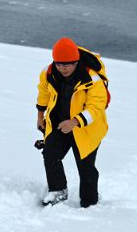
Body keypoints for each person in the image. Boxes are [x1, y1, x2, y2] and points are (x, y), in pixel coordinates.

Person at [35, 37, 109, 207]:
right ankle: (58, 191)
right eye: (59, 64)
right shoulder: (49, 72)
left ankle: (90, 202)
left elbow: (96, 107)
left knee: (85, 166)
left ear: (76, 62)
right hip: (61, 125)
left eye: (67, 64)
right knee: (50, 154)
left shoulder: (92, 78)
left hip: (87, 129)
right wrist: (40, 115)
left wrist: (75, 122)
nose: (63, 68)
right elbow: (43, 93)